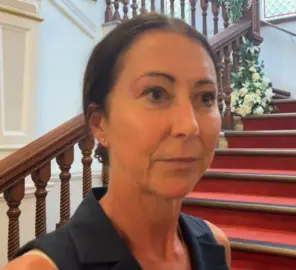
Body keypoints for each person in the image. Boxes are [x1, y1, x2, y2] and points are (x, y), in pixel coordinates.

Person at [4, 13, 230, 270]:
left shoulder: (215, 245)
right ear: (100, 124)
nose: (190, 126)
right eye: (156, 94)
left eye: (205, 97)